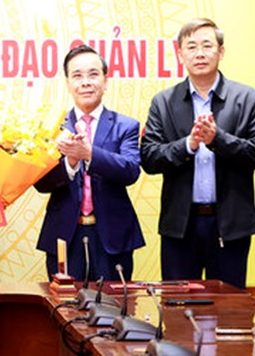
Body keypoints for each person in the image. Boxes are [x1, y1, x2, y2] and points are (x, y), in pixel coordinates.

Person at [141, 18, 255, 289]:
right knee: (179, 311)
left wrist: (218, 140)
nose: (200, 53)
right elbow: (149, 158)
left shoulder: (247, 98)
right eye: (191, 47)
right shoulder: (163, 102)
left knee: (229, 315)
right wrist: (188, 144)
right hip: (181, 227)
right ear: (180, 54)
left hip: (230, 226)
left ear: (221, 51)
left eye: (207, 45)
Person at [34, 45, 144, 281]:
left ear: (105, 81)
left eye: (93, 74)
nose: (86, 82)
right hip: (64, 235)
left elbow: (131, 171)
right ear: (68, 83)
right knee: (64, 310)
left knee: (113, 310)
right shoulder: (51, 127)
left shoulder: (126, 126)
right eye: (77, 76)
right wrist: (70, 163)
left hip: (113, 237)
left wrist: (89, 154)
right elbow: (40, 183)